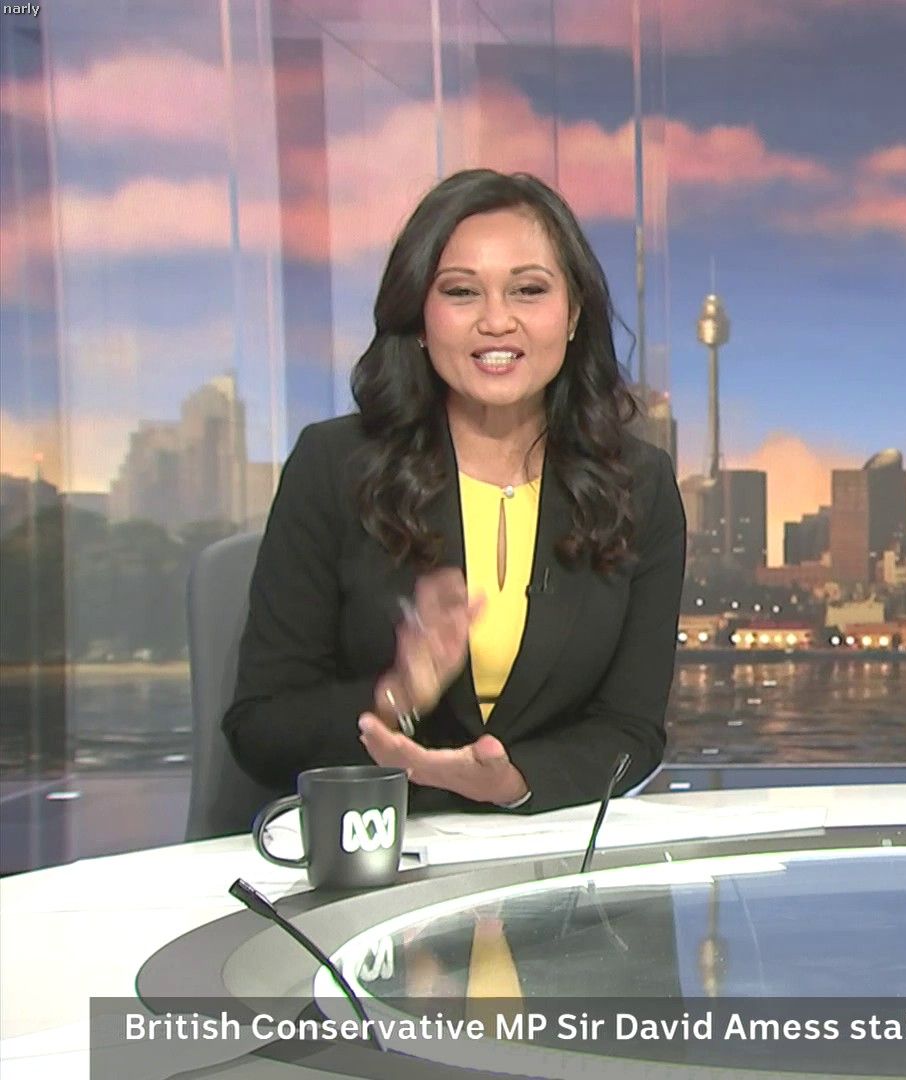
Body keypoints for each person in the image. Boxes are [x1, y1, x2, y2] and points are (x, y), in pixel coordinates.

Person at [225, 168, 685, 814]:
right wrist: (398, 696)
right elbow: (260, 727)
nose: (497, 321)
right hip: (381, 840)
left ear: (574, 314)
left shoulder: (639, 484)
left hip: (549, 840)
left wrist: (514, 781)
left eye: (528, 290)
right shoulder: (335, 466)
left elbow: (631, 730)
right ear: (419, 316)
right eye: (462, 292)